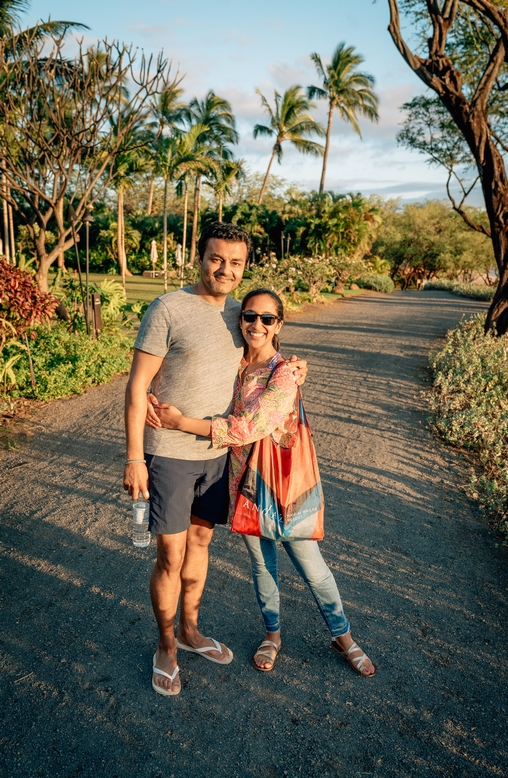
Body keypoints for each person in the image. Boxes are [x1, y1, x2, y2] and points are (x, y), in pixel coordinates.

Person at [152, 288, 376, 677]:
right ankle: (272, 635)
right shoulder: (234, 363)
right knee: (261, 564)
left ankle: (344, 637)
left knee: (311, 565)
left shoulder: (284, 372)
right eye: (249, 317)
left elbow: (249, 428)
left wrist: (181, 422)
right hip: (243, 485)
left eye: (267, 319)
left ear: (279, 324)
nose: (256, 324)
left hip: (285, 487)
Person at [123, 222, 307, 697]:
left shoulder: (238, 315)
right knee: (170, 555)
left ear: (244, 267)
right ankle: (165, 645)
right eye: (216, 258)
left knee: (200, 545)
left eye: (236, 263)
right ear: (200, 257)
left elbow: (263, 351)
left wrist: (294, 367)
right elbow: (136, 387)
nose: (225, 269)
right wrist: (134, 459)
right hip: (169, 454)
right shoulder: (168, 308)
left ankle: (189, 630)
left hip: (218, 457)